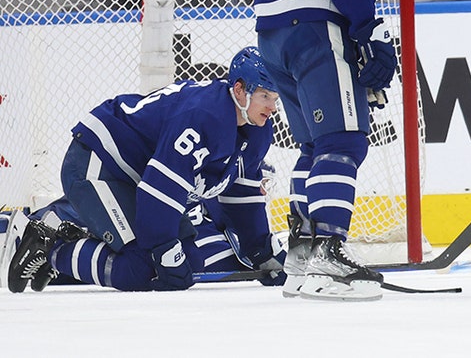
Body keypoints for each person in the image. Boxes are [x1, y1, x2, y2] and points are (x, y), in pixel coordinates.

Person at [254, 0, 399, 302]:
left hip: (272, 32)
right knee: (344, 142)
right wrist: (368, 31)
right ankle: (329, 254)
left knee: (315, 148)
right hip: (315, 25)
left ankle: (300, 253)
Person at [5, 47, 284, 293]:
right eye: (264, 96)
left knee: (191, 262)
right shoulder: (203, 116)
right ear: (238, 90)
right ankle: (51, 246)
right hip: (98, 162)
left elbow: (240, 193)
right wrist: (163, 249)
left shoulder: (257, 129)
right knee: (142, 267)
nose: (272, 107)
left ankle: (75, 242)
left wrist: (258, 250)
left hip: (137, 177)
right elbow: (160, 189)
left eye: (275, 97)